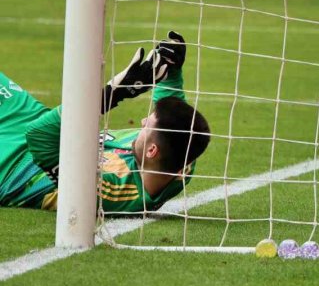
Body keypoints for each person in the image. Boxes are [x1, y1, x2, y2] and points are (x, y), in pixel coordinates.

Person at [0, 31, 211, 213]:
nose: (143, 120)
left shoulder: (114, 193)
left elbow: (38, 136)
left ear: (151, 151)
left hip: (13, 168)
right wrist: (171, 70)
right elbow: (174, 120)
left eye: (147, 125)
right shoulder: (182, 158)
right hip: (44, 125)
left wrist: (112, 94)